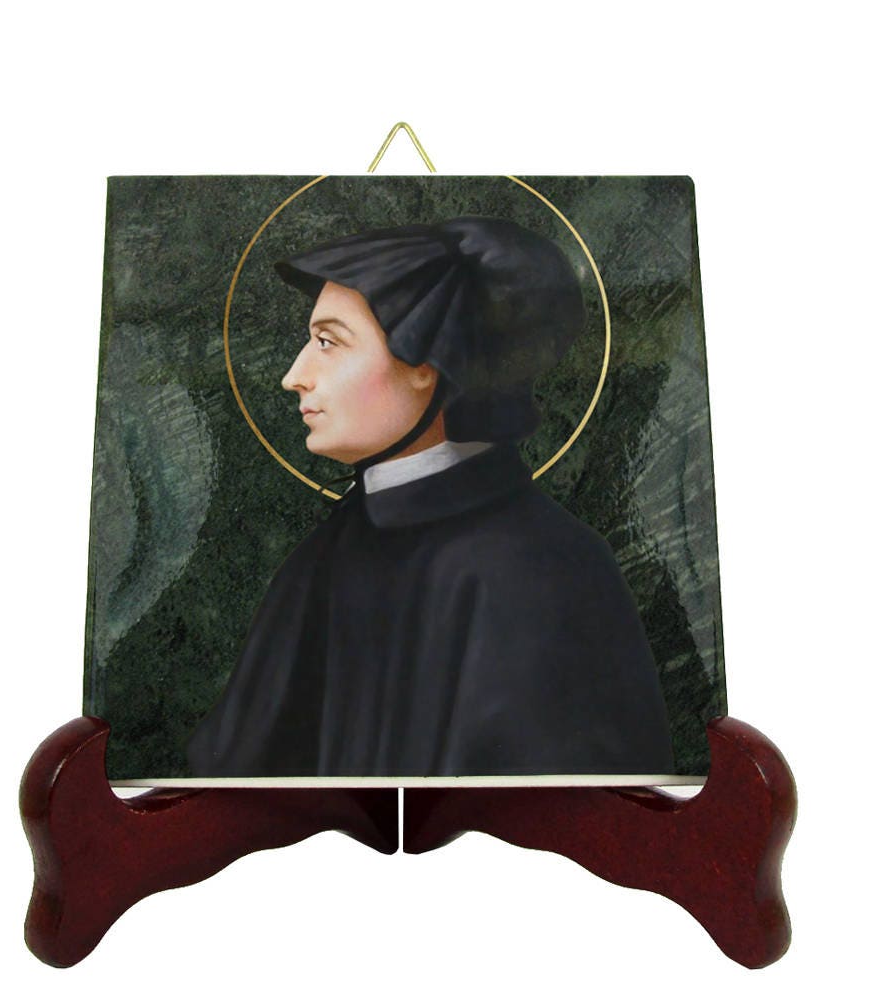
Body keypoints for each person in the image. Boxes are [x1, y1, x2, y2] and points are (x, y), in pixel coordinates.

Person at [187, 217, 674, 777]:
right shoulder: (325, 554)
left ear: (425, 362)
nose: (295, 375)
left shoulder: (548, 569)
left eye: (328, 342)